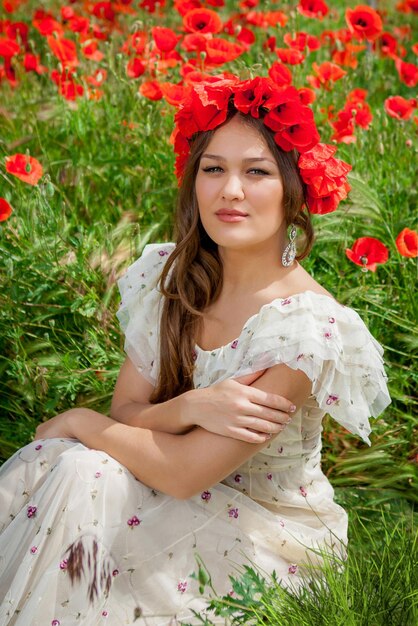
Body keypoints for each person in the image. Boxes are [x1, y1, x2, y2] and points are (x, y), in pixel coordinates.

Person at [0, 76, 390, 626]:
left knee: (82, 468)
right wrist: (187, 407)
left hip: (268, 543)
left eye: (255, 171)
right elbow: (128, 415)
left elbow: (184, 472)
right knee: (75, 466)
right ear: (194, 182)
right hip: (167, 500)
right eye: (213, 169)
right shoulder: (177, 279)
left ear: (293, 189)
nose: (230, 190)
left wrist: (77, 419)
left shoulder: (304, 326)